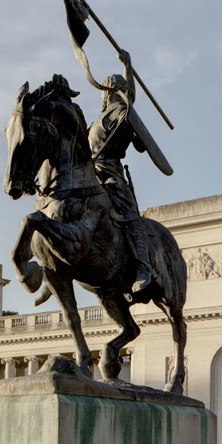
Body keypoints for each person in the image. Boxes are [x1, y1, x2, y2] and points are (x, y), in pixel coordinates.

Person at [87, 49, 154, 294]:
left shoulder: (122, 116)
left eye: (112, 91)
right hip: (89, 174)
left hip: (110, 174)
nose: (108, 95)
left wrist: (128, 67)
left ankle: (144, 267)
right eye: (108, 91)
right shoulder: (96, 121)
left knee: (130, 216)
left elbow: (131, 103)